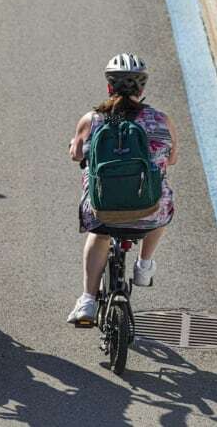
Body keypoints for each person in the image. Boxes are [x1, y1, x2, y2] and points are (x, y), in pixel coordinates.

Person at [67, 53, 178, 324]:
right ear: (142, 88)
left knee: (99, 236)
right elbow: (171, 158)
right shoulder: (161, 120)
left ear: (109, 87)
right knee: (162, 200)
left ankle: (88, 301)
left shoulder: (92, 119)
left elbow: (76, 155)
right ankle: (144, 265)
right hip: (148, 213)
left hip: (102, 212)